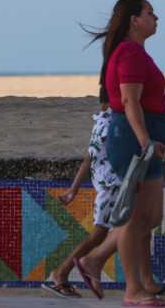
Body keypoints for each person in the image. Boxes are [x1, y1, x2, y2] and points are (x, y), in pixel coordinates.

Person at [80, 0, 165, 307]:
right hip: (133, 141)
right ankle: (133, 290)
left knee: (152, 216)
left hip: (146, 140)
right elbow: (129, 101)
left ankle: (95, 261)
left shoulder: (137, 52)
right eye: (150, 12)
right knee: (134, 219)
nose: (156, 18)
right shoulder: (130, 52)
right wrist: (146, 142)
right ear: (134, 20)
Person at [42, 85, 118, 298]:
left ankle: (66, 271)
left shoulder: (101, 123)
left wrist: (72, 190)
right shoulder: (108, 125)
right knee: (101, 236)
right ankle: (62, 272)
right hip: (111, 187)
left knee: (110, 235)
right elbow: (118, 153)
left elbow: (88, 159)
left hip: (110, 187)